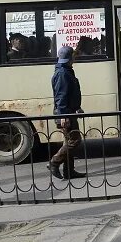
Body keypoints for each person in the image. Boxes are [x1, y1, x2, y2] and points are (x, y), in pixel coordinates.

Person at [48, 46, 86, 180]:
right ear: (71, 58)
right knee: (75, 140)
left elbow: (69, 95)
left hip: (69, 111)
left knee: (68, 141)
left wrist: (76, 107)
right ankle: (54, 162)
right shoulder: (63, 73)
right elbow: (61, 97)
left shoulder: (65, 71)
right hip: (66, 114)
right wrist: (63, 115)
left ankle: (69, 171)